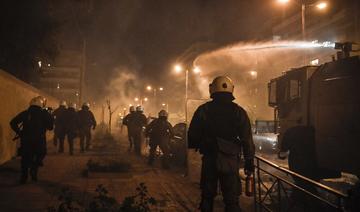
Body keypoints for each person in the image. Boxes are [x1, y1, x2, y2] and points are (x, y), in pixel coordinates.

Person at [188, 76, 255, 212]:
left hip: (210, 159)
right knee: (231, 200)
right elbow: (246, 138)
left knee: (207, 197)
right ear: (231, 89)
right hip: (230, 160)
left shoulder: (203, 110)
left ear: (212, 89)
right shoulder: (238, 111)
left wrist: (198, 144)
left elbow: (192, 135)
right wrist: (249, 160)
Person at [10, 96, 54, 183]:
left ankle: (24, 177)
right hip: (39, 140)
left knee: (25, 158)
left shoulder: (26, 113)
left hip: (26, 140)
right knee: (41, 154)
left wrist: (20, 132)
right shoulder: (44, 114)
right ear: (41, 104)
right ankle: (34, 169)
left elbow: (13, 122)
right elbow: (50, 127)